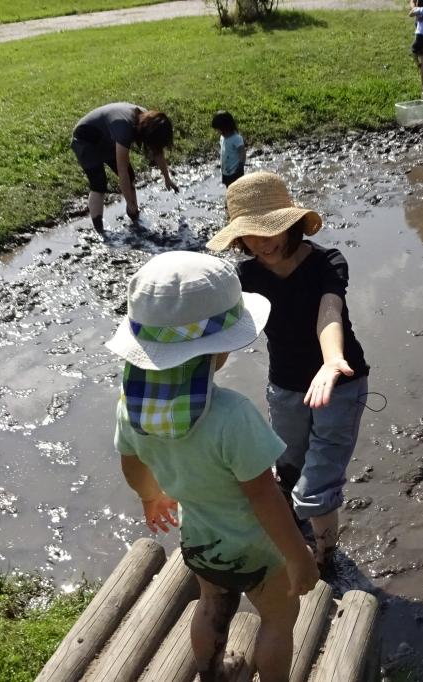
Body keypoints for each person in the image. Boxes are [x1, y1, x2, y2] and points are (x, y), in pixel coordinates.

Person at [107, 251, 319, 682]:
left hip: (201, 543)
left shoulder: (132, 408)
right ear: (219, 353)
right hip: (258, 550)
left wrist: (151, 496)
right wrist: (298, 556)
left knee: (211, 604)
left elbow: (130, 461)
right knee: (279, 618)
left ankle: (210, 670)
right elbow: (263, 494)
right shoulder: (232, 415)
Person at [206, 172, 370, 580]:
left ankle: (325, 556)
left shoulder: (326, 263)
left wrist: (331, 360)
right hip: (285, 387)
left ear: (292, 223)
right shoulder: (247, 277)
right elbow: (225, 335)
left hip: (340, 383)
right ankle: (298, 535)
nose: (264, 243)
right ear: (240, 239)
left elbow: (329, 312)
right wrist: (196, 374)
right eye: (252, 235)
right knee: (289, 466)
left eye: (272, 229)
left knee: (315, 486)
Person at [70, 102, 179, 231]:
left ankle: (135, 216)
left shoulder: (146, 120)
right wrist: (128, 201)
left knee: (130, 175)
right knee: (99, 184)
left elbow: (157, 152)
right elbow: (122, 172)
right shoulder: (124, 129)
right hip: (85, 139)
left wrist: (167, 178)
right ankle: (100, 231)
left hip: (106, 138)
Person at [212, 110, 247, 187]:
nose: (219, 132)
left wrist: (241, 165)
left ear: (226, 128)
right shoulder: (222, 137)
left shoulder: (236, 138)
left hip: (236, 172)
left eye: (220, 130)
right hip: (226, 171)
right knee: (229, 188)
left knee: (237, 189)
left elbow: (242, 153)